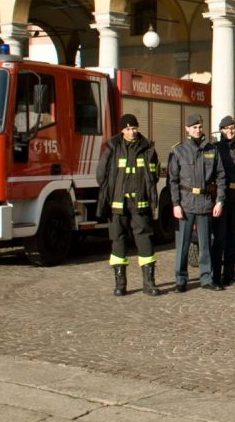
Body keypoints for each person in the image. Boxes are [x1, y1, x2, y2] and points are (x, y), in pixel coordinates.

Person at [96, 113, 162, 297]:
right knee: (118, 241)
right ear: (122, 130)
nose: (131, 132)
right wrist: (111, 193)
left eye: (134, 128)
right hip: (118, 204)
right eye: (128, 129)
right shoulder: (113, 148)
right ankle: (120, 284)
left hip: (140, 203)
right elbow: (101, 174)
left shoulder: (147, 148)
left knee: (145, 240)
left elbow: (154, 174)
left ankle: (149, 283)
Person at [169, 114, 227, 293]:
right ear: (187, 129)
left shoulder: (212, 150)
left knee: (205, 245)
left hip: (205, 203)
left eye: (200, 127)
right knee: (183, 245)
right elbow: (173, 181)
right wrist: (175, 204)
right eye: (194, 127)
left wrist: (219, 201)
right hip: (186, 204)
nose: (198, 130)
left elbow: (221, 177)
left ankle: (206, 279)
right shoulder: (178, 151)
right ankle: (181, 280)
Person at [211, 114, 235, 287]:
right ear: (221, 130)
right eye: (227, 128)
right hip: (221, 196)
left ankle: (229, 276)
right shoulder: (215, 148)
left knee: (233, 239)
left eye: (233, 128)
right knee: (219, 238)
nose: (230, 131)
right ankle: (215, 276)